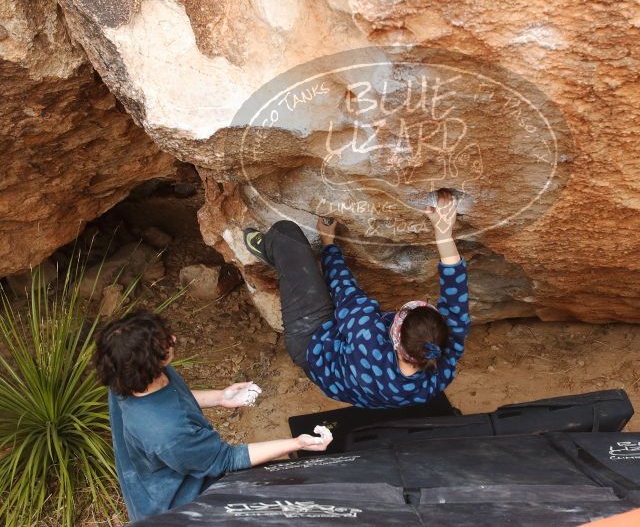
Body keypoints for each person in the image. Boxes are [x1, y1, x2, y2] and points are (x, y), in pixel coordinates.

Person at [93, 311, 332, 522]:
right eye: (164, 343)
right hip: (179, 505)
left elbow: (170, 402)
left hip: (149, 477)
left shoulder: (125, 377)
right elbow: (227, 459)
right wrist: (296, 443)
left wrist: (221, 397)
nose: (173, 340)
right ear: (149, 365)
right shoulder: (169, 435)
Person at [243, 190, 470, 408]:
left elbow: (345, 291)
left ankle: (275, 252)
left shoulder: (368, 340)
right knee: (336, 305)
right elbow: (456, 297)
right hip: (352, 375)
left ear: (394, 336)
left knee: (286, 234)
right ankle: (297, 278)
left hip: (315, 347)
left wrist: (328, 244)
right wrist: (444, 234)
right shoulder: (441, 364)